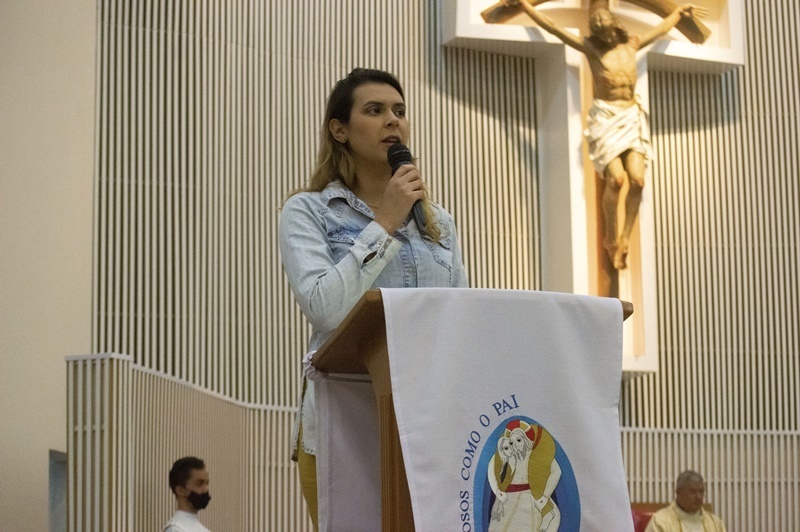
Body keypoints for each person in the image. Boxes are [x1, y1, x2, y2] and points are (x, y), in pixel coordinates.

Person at [279, 67, 469, 528]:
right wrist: (384, 222)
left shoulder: (438, 223)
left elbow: (460, 318)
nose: (393, 120)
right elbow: (325, 308)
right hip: (345, 424)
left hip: (428, 426)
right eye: (375, 110)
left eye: (399, 111)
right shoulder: (309, 211)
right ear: (339, 130)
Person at [507, 0, 707, 269]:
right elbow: (554, 28)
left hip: (631, 115)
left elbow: (660, 30)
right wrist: (525, 7)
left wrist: (678, 14)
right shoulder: (592, 49)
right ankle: (611, 239)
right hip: (605, 117)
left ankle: (624, 239)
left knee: (638, 180)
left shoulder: (632, 44)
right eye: (599, 32)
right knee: (616, 180)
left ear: (615, 27)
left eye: (607, 31)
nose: (605, 36)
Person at [645, 470, 726, 531]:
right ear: (679, 493)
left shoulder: (715, 523)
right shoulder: (660, 521)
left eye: (701, 491)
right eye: (693, 491)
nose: (698, 497)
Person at [163, 456, 211, 532]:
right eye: (199, 483)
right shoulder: (175, 529)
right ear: (180, 490)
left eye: (206, 483)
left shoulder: (200, 528)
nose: (206, 489)